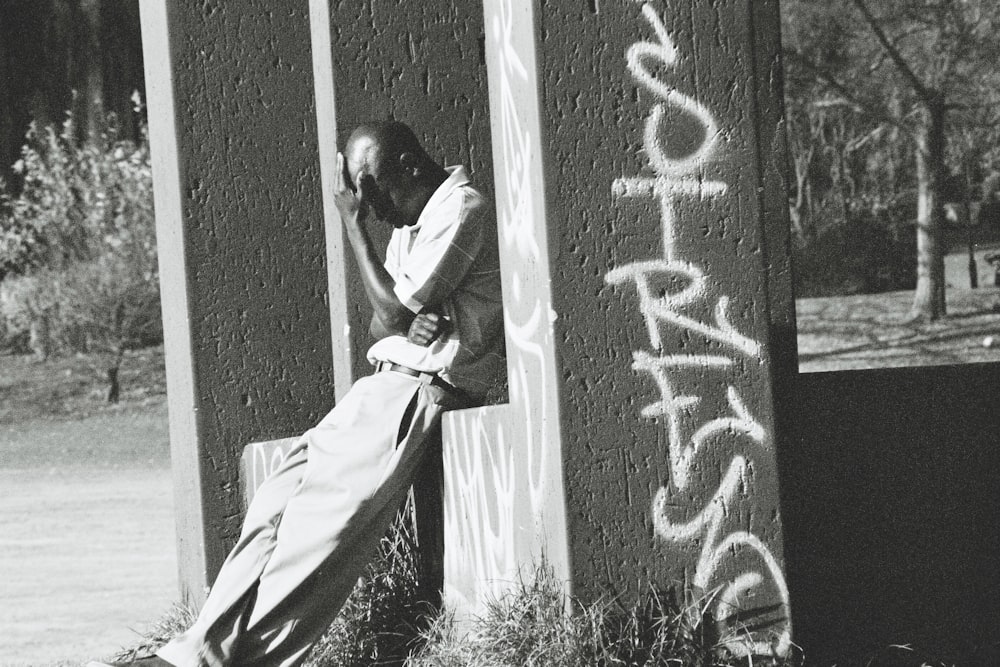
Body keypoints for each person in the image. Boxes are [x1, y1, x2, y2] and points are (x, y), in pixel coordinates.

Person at [89, 120, 504, 667]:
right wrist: (400, 318)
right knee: (274, 505)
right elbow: (385, 325)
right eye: (362, 197)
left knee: (320, 534)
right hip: (382, 384)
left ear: (409, 165)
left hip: (420, 389)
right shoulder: (414, 220)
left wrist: (356, 232)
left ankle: (240, 662)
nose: (370, 206)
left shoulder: (460, 209)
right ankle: (199, 652)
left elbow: (390, 312)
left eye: (373, 189)